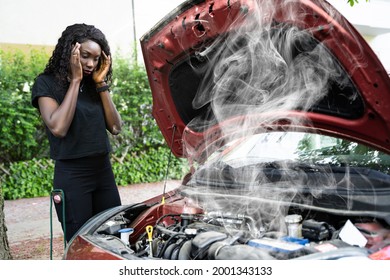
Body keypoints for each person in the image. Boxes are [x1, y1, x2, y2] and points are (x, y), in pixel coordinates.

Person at [31, 23, 122, 242]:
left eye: (96, 58)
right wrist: (75, 81)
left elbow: (116, 127)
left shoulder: (95, 85)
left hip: (103, 172)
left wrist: (101, 84)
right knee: (80, 243)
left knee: (115, 238)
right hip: (73, 176)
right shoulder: (46, 84)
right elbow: (58, 127)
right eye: (85, 56)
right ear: (70, 53)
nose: (91, 64)